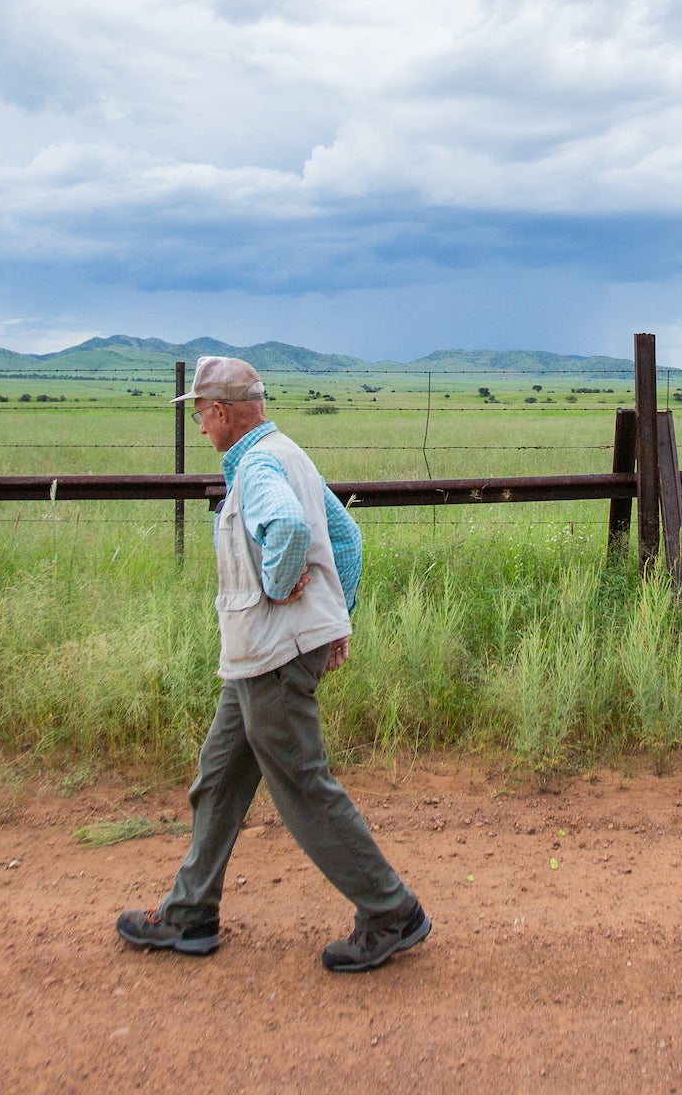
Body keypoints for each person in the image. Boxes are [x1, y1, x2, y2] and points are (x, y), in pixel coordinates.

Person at [115, 355, 429, 972]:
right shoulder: (288, 452)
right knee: (220, 776)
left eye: (203, 414)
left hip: (272, 654)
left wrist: (284, 587)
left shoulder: (256, 465)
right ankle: (190, 913)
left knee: (302, 786)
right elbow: (345, 538)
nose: (201, 426)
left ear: (225, 413)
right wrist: (336, 617)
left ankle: (391, 911)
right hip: (258, 657)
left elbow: (287, 528)